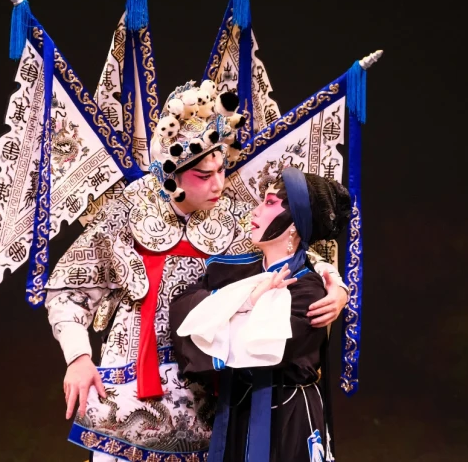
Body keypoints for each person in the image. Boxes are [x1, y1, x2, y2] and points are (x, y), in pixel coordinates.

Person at [45, 81, 349, 461]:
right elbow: (69, 291)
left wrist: (335, 285)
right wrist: (77, 356)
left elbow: (292, 247)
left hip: (205, 391)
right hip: (127, 383)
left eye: (222, 169)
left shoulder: (235, 216)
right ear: (172, 175)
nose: (220, 184)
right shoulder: (128, 208)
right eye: (205, 176)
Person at [170, 166, 352, 461]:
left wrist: (227, 310)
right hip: (236, 414)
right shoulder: (235, 270)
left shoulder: (309, 292)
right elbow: (182, 311)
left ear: (294, 223)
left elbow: (250, 348)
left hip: (288, 416)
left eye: (269, 202)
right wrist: (249, 299)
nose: (254, 211)